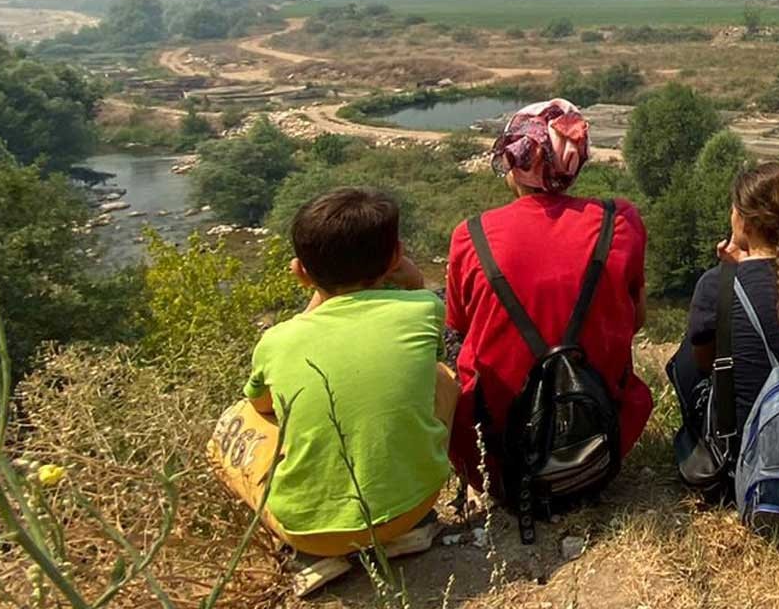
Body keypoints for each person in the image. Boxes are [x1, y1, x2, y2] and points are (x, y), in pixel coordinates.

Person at [208, 188, 454, 593]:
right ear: (396, 256)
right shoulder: (424, 309)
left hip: (309, 533)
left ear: (300, 271)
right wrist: (410, 279)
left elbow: (261, 406)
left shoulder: (277, 340)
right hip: (413, 508)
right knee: (441, 375)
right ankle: (404, 532)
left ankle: (313, 558)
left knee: (234, 419)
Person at [444, 98, 653, 491]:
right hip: (601, 441)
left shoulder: (471, 236)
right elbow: (636, 319)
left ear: (514, 159)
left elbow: (461, 328)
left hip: (499, 458)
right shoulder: (619, 221)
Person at [668, 161, 779, 495]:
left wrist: (726, 280)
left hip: (742, 457)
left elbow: (706, 365)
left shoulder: (716, 284)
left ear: (744, 219)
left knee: (686, 358)